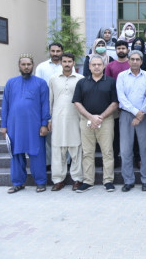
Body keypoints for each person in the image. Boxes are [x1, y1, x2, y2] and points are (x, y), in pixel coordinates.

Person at [1, 54, 50, 194]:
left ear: (33, 65)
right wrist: (4, 125)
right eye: (23, 64)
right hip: (14, 126)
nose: (26, 67)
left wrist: (44, 124)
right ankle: (18, 183)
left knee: (37, 154)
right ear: (19, 66)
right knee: (16, 154)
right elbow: (5, 105)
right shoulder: (11, 83)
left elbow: (45, 105)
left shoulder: (40, 83)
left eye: (29, 64)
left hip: (34, 126)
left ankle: (40, 182)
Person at [72, 55, 119, 193]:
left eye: (99, 64)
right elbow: (77, 102)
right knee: (87, 152)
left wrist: (100, 117)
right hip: (86, 121)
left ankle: (108, 181)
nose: (97, 66)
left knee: (108, 152)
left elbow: (115, 103)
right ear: (89, 66)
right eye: (94, 64)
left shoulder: (111, 82)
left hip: (106, 121)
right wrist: (90, 117)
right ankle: (88, 181)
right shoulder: (82, 82)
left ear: (104, 66)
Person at [116, 50, 146, 192]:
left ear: (142, 61)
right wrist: (135, 112)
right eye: (132, 59)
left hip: (144, 115)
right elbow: (121, 97)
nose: (135, 62)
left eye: (138, 59)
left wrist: (141, 113)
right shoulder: (122, 76)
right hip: (126, 115)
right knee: (125, 150)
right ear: (129, 61)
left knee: (145, 149)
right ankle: (128, 180)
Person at [48, 53, 84, 191]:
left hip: (75, 119)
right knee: (58, 150)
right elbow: (49, 100)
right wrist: (49, 118)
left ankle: (77, 179)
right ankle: (58, 180)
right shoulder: (53, 79)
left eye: (70, 61)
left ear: (74, 63)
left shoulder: (80, 79)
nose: (67, 64)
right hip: (58, 119)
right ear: (61, 63)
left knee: (76, 149)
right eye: (64, 61)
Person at [35, 42, 66, 168]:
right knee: (48, 135)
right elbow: (37, 86)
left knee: (64, 133)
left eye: (58, 51)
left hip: (63, 103)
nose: (55, 54)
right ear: (49, 51)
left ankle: (65, 162)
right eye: (53, 51)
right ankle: (49, 163)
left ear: (62, 51)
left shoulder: (66, 65)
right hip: (46, 103)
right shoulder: (42, 67)